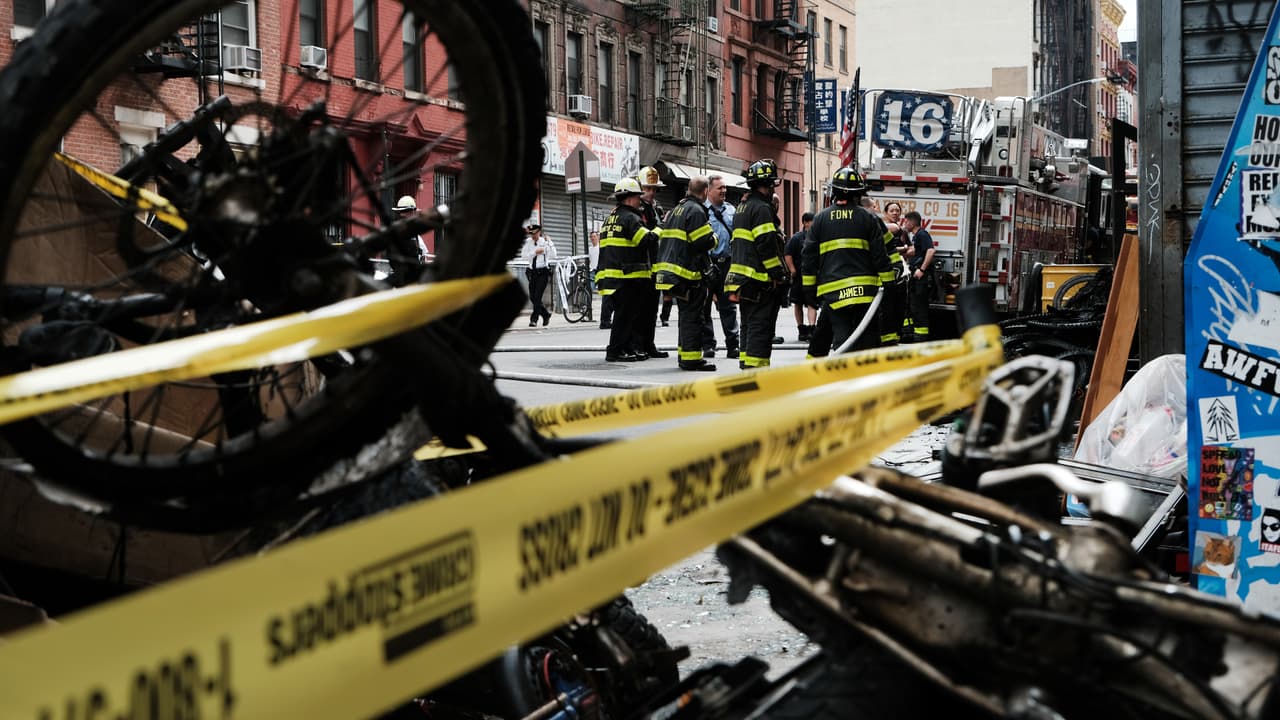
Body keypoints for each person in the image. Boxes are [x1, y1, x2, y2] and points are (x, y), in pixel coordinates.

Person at [801, 167, 891, 352]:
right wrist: (890, 285)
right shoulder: (868, 217)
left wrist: (809, 289)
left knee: (842, 339)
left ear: (834, 191)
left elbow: (808, 257)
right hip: (865, 293)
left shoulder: (820, 219)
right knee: (867, 340)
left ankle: (843, 375)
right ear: (858, 194)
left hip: (834, 293)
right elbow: (879, 255)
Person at [725, 159, 788, 369]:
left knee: (748, 324)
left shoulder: (743, 206)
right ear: (768, 185)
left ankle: (746, 364)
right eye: (771, 185)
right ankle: (756, 372)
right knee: (760, 327)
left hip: (743, 279)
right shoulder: (761, 208)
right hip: (759, 280)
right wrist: (778, 274)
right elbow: (766, 245)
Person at [654, 176, 718, 371]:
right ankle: (691, 359)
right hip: (688, 274)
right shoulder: (696, 210)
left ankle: (685, 355)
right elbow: (703, 241)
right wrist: (714, 237)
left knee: (685, 315)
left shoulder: (677, 209)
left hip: (672, 273)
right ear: (705, 191)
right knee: (693, 316)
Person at [596, 178, 656, 362]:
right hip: (626, 277)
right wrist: (662, 230)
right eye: (638, 196)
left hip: (612, 276)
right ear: (630, 198)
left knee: (626, 316)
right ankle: (615, 351)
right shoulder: (630, 218)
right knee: (624, 317)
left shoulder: (611, 218)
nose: (640, 200)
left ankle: (627, 348)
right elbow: (646, 240)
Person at [702, 174, 739, 359]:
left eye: (725, 187)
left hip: (727, 265)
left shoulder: (731, 210)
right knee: (704, 306)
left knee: (729, 307)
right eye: (720, 188)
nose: (724, 191)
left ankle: (733, 345)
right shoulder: (701, 211)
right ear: (708, 190)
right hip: (708, 264)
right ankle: (708, 345)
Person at [634, 166, 670, 358]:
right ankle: (638, 346)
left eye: (654, 189)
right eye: (648, 188)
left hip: (655, 266)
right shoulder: (637, 209)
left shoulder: (656, 208)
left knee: (651, 310)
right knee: (640, 310)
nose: (651, 192)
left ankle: (649, 345)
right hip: (641, 268)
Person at [874, 200, 910, 346]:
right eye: (892, 210)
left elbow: (912, 250)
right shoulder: (888, 227)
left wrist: (905, 249)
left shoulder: (902, 231)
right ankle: (885, 336)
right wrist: (902, 249)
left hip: (900, 274)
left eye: (897, 210)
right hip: (883, 273)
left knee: (898, 306)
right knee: (885, 306)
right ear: (885, 213)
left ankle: (894, 334)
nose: (895, 213)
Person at [902, 210, 936, 342]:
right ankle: (910, 333)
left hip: (921, 276)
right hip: (915, 276)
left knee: (919, 306)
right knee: (912, 304)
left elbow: (931, 250)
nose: (904, 224)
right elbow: (916, 252)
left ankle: (921, 336)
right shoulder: (916, 236)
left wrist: (921, 269)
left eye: (906, 221)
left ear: (911, 222)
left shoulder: (922, 234)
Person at [784, 211, 816, 341]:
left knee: (812, 303)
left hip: (813, 276)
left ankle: (812, 328)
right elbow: (788, 254)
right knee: (798, 303)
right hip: (799, 277)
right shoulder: (797, 238)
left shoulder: (816, 237)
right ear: (805, 222)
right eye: (813, 221)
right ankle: (802, 329)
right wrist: (792, 270)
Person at [520, 224, 557, 327]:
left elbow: (554, 255)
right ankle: (545, 314)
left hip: (542, 273)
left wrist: (550, 242)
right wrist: (534, 252)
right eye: (531, 234)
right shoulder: (528, 243)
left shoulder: (544, 242)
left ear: (539, 232)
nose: (533, 236)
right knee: (533, 297)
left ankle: (534, 319)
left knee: (537, 296)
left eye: (535, 234)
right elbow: (523, 256)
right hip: (532, 272)